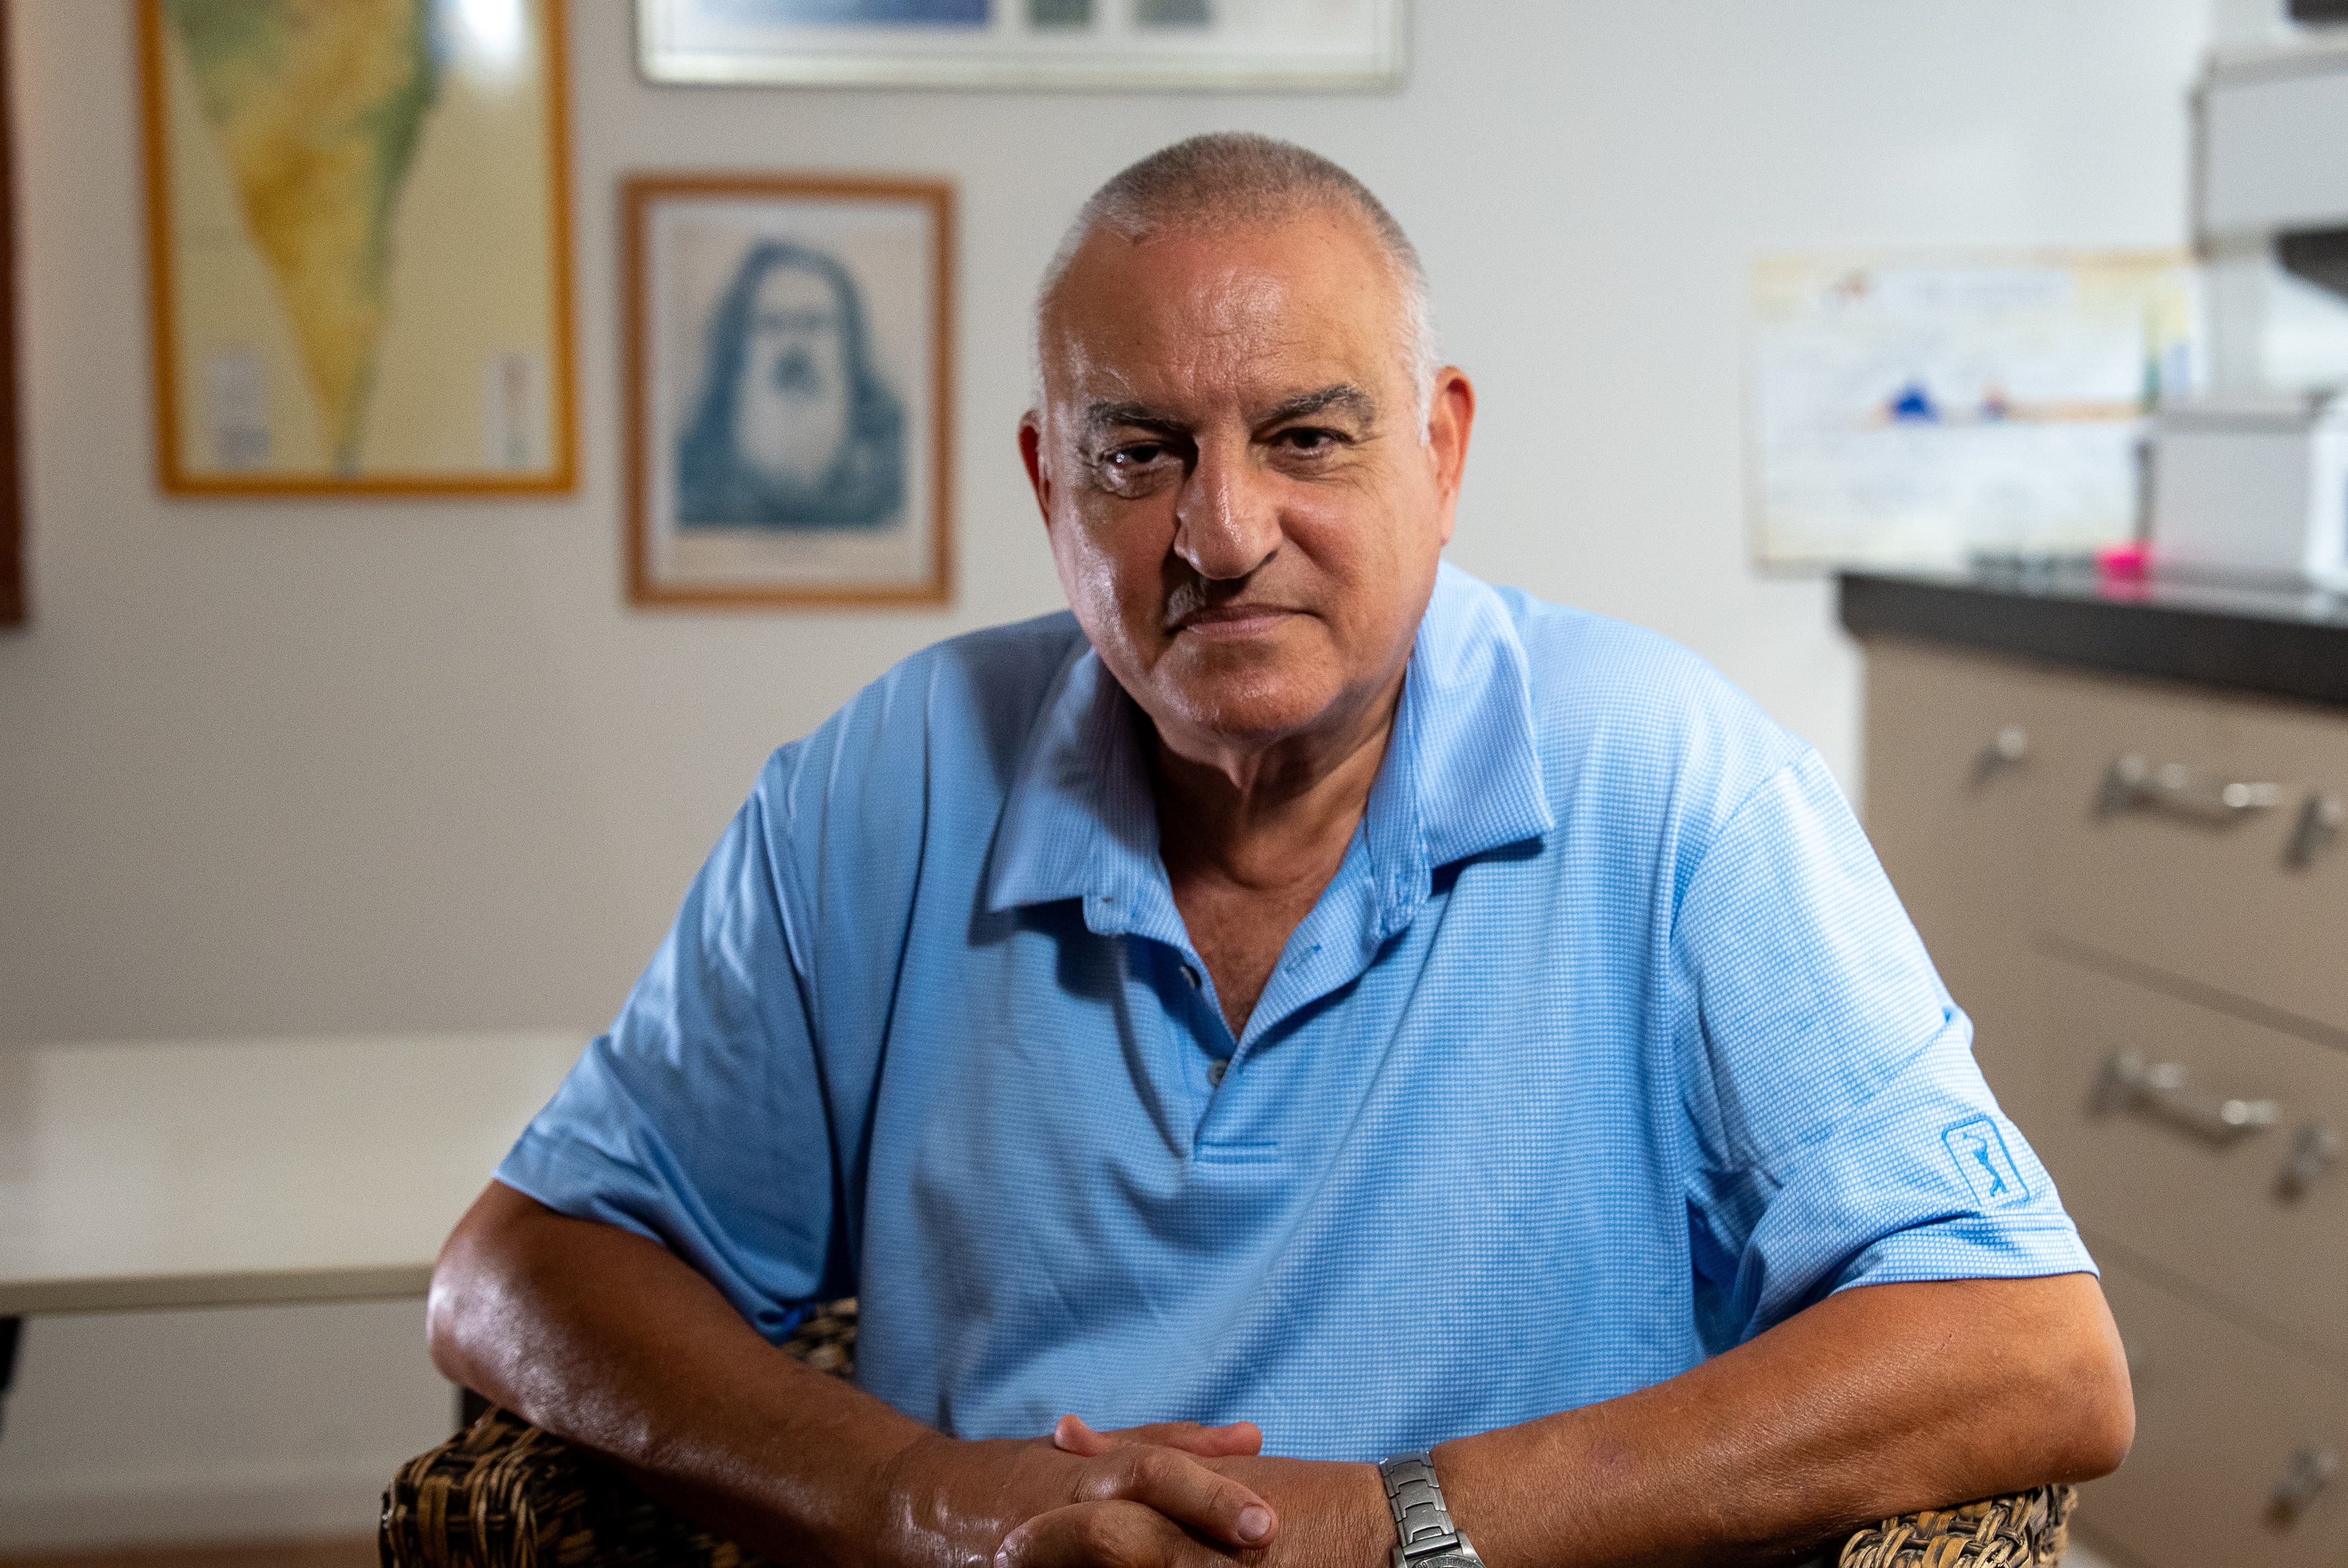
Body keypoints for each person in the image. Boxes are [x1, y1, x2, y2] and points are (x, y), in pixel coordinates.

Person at [430, 133, 2131, 1568]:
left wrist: (1394, 1525)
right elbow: (517, 1272)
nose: (1224, 533)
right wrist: (930, 1503)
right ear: (1048, 483)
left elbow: (2034, 1353)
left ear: (1441, 451)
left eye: (1307, 437)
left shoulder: (1673, 781)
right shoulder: (890, 782)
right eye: (1139, 452)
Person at [676, 239, 904, 528]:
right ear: (738, 349)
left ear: (848, 344)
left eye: (814, 323)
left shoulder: (897, 473)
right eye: (772, 323)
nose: (794, 344)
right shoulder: (693, 477)